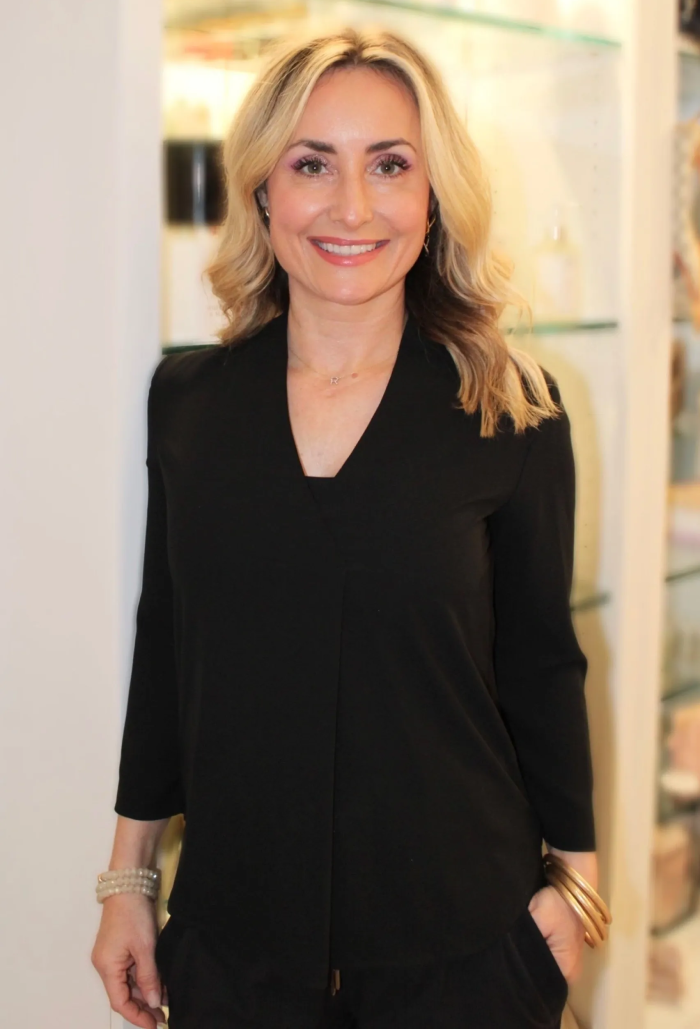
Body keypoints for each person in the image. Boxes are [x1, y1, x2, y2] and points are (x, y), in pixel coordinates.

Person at [91, 26, 611, 1029]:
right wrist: (128, 883)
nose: (352, 206)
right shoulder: (190, 403)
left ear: (432, 197)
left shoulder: (512, 407)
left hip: (464, 955)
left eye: (389, 166)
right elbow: (169, 654)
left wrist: (573, 894)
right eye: (312, 165)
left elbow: (545, 666)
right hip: (234, 955)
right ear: (262, 191)